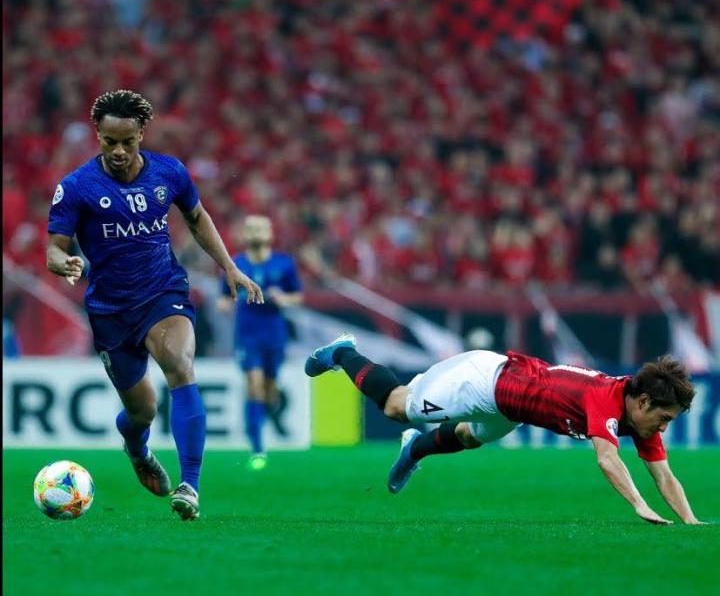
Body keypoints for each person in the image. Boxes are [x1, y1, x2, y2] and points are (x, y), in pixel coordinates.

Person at [46, 90, 264, 521]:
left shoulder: (169, 172)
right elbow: (54, 247)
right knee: (141, 411)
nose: (119, 151)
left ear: (142, 133)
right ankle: (137, 448)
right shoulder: (76, 187)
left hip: (163, 292)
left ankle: (190, 486)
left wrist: (229, 267)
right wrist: (63, 262)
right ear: (98, 135)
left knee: (180, 366)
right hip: (110, 310)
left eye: (127, 141)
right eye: (110, 142)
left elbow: (197, 217)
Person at [305, 333, 706, 525]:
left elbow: (664, 475)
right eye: (664, 418)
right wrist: (638, 504)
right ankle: (343, 352)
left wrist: (690, 522)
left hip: (510, 407)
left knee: (469, 436)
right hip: (481, 380)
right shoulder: (606, 400)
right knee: (397, 406)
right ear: (643, 402)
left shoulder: (640, 417)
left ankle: (414, 449)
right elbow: (606, 459)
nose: (663, 428)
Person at [218, 215, 303, 471]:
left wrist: (284, 299)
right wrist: (227, 303)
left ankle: (258, 419)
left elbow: (297, 296)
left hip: (274, 334)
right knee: (253, 384)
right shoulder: (235, 264)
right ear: (244, 235)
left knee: (269, 390)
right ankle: (257, 448)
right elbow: (223, 297)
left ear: (269, 233)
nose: (256, 233)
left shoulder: (284, 263)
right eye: (251, 229)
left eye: (261, 228)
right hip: (247, 335)